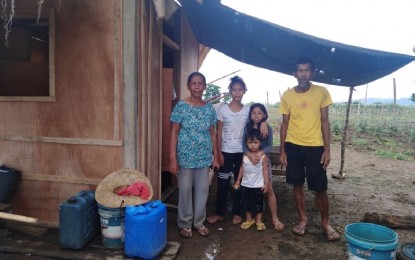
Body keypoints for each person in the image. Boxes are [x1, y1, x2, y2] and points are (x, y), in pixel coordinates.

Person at [279, 56, 340, 241]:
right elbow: (284, 123)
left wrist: (327, 149)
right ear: (294, 73)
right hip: (293, 145)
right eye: (300, 70)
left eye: (306, 70)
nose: (303, 74)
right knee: (297, 183)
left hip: (315, 146)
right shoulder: (287, 95)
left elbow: (325, 121)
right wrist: (282, 150)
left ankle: (325, 224)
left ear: (312, 73)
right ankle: (303, 220)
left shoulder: (322, 92)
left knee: (320, 187)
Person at [170, 72, 220, 239]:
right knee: (184, 190)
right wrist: (172, 158)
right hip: (185, 156)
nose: (197, 86)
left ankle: (199, 222)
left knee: (202, 190)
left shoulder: (209, 109)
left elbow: (213, 134)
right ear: (188, 86)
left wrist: (217, 156)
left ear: (204, 86)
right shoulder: (181, 107)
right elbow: (174, 132)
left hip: (204, 157)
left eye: (200, 83)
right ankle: (185, 224)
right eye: (194, 83)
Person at [207, 76, 251, 225]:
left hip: (242, 153)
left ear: (245, 91)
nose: (237, 92)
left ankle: (237, 212)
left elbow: (257, 122)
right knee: (223, 182)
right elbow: (218, 132)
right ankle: (219, 212)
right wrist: (218, 154)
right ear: (230, 91)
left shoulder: (248, 110)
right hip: (225, 152)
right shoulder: (222, 109)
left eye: (240, 90)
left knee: (239, 182)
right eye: (234, 90)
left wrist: (264, 123)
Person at [242, 103, 284, 231]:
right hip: (249, 162)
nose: (256, 115)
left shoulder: (268, 128)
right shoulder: (247, 128)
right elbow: (243, 145)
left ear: (264, 115)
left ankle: (274, 218)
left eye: (260, 113)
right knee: (249, 189)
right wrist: (249, 155)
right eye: (253, 113)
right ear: (250, 115)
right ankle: (250, 217)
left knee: (268, 189)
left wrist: (260, 153)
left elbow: (270, 146)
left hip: (263, 162)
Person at [234, 129, 269, 231]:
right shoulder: (245, 156)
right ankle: (249, 219)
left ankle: (258, 220)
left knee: (259, 203)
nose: (252, 145)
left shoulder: (263, 157)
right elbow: (241, 168)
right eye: (250, 142)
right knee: (246, 203)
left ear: (260, 143)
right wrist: (237, 180)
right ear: (246, 143)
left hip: (258, 185)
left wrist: (266, 183)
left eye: (255, 142)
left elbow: (265, 171)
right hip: (246, 184)